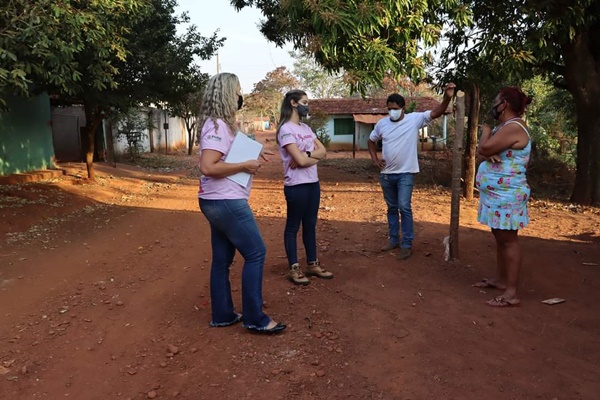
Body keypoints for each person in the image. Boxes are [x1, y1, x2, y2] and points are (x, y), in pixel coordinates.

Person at [197, 72, 285, 334]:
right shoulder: (215, 127)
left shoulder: (222, 126)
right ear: (227, 94)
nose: (240, 95)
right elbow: (208, 166)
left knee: (222, 259)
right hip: (226, 201)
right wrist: (245, 165)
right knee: (256, 253)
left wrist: (256, 152)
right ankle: (255, 318)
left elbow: (229, 151)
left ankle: (223, 314)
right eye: (237, 90)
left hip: (217, 200)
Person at [368, 84, 455, 260]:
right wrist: (374, 159)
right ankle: (393, 240)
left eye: (395, 108)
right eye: (389, 109)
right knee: (392, 208)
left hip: (406, 173)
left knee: (404, 207)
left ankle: (407, 243)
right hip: (386, 174)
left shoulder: (414, 119)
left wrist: (447, 98)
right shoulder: (381, 124)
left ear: (403, 108)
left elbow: (436, 112)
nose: (392, 112)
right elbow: (371, 141)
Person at [473, 87, 532, 307]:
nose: (493, 105)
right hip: (499, 195)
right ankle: (499, 280)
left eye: (496, 101)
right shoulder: (506, 127)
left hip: (508, 195)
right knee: (500, 239)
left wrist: (486, 131)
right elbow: (486, 152)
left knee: (508, 241)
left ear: (504, 103)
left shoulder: (513, 127)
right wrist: (489, 151)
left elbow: (484, 147)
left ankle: (511, 293)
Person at [276, 89, 332, 285]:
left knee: (310, 225)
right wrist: (309, 156)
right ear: (293, 103)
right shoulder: (285, 130)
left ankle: (313, 264)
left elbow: (323, 151)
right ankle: (294, 268)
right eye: (304, 102)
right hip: (296, 185)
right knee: (293, 226)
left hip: (312, 183)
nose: (307, 106)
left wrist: (307, 155)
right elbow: (298, 161)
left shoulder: (306, 129)